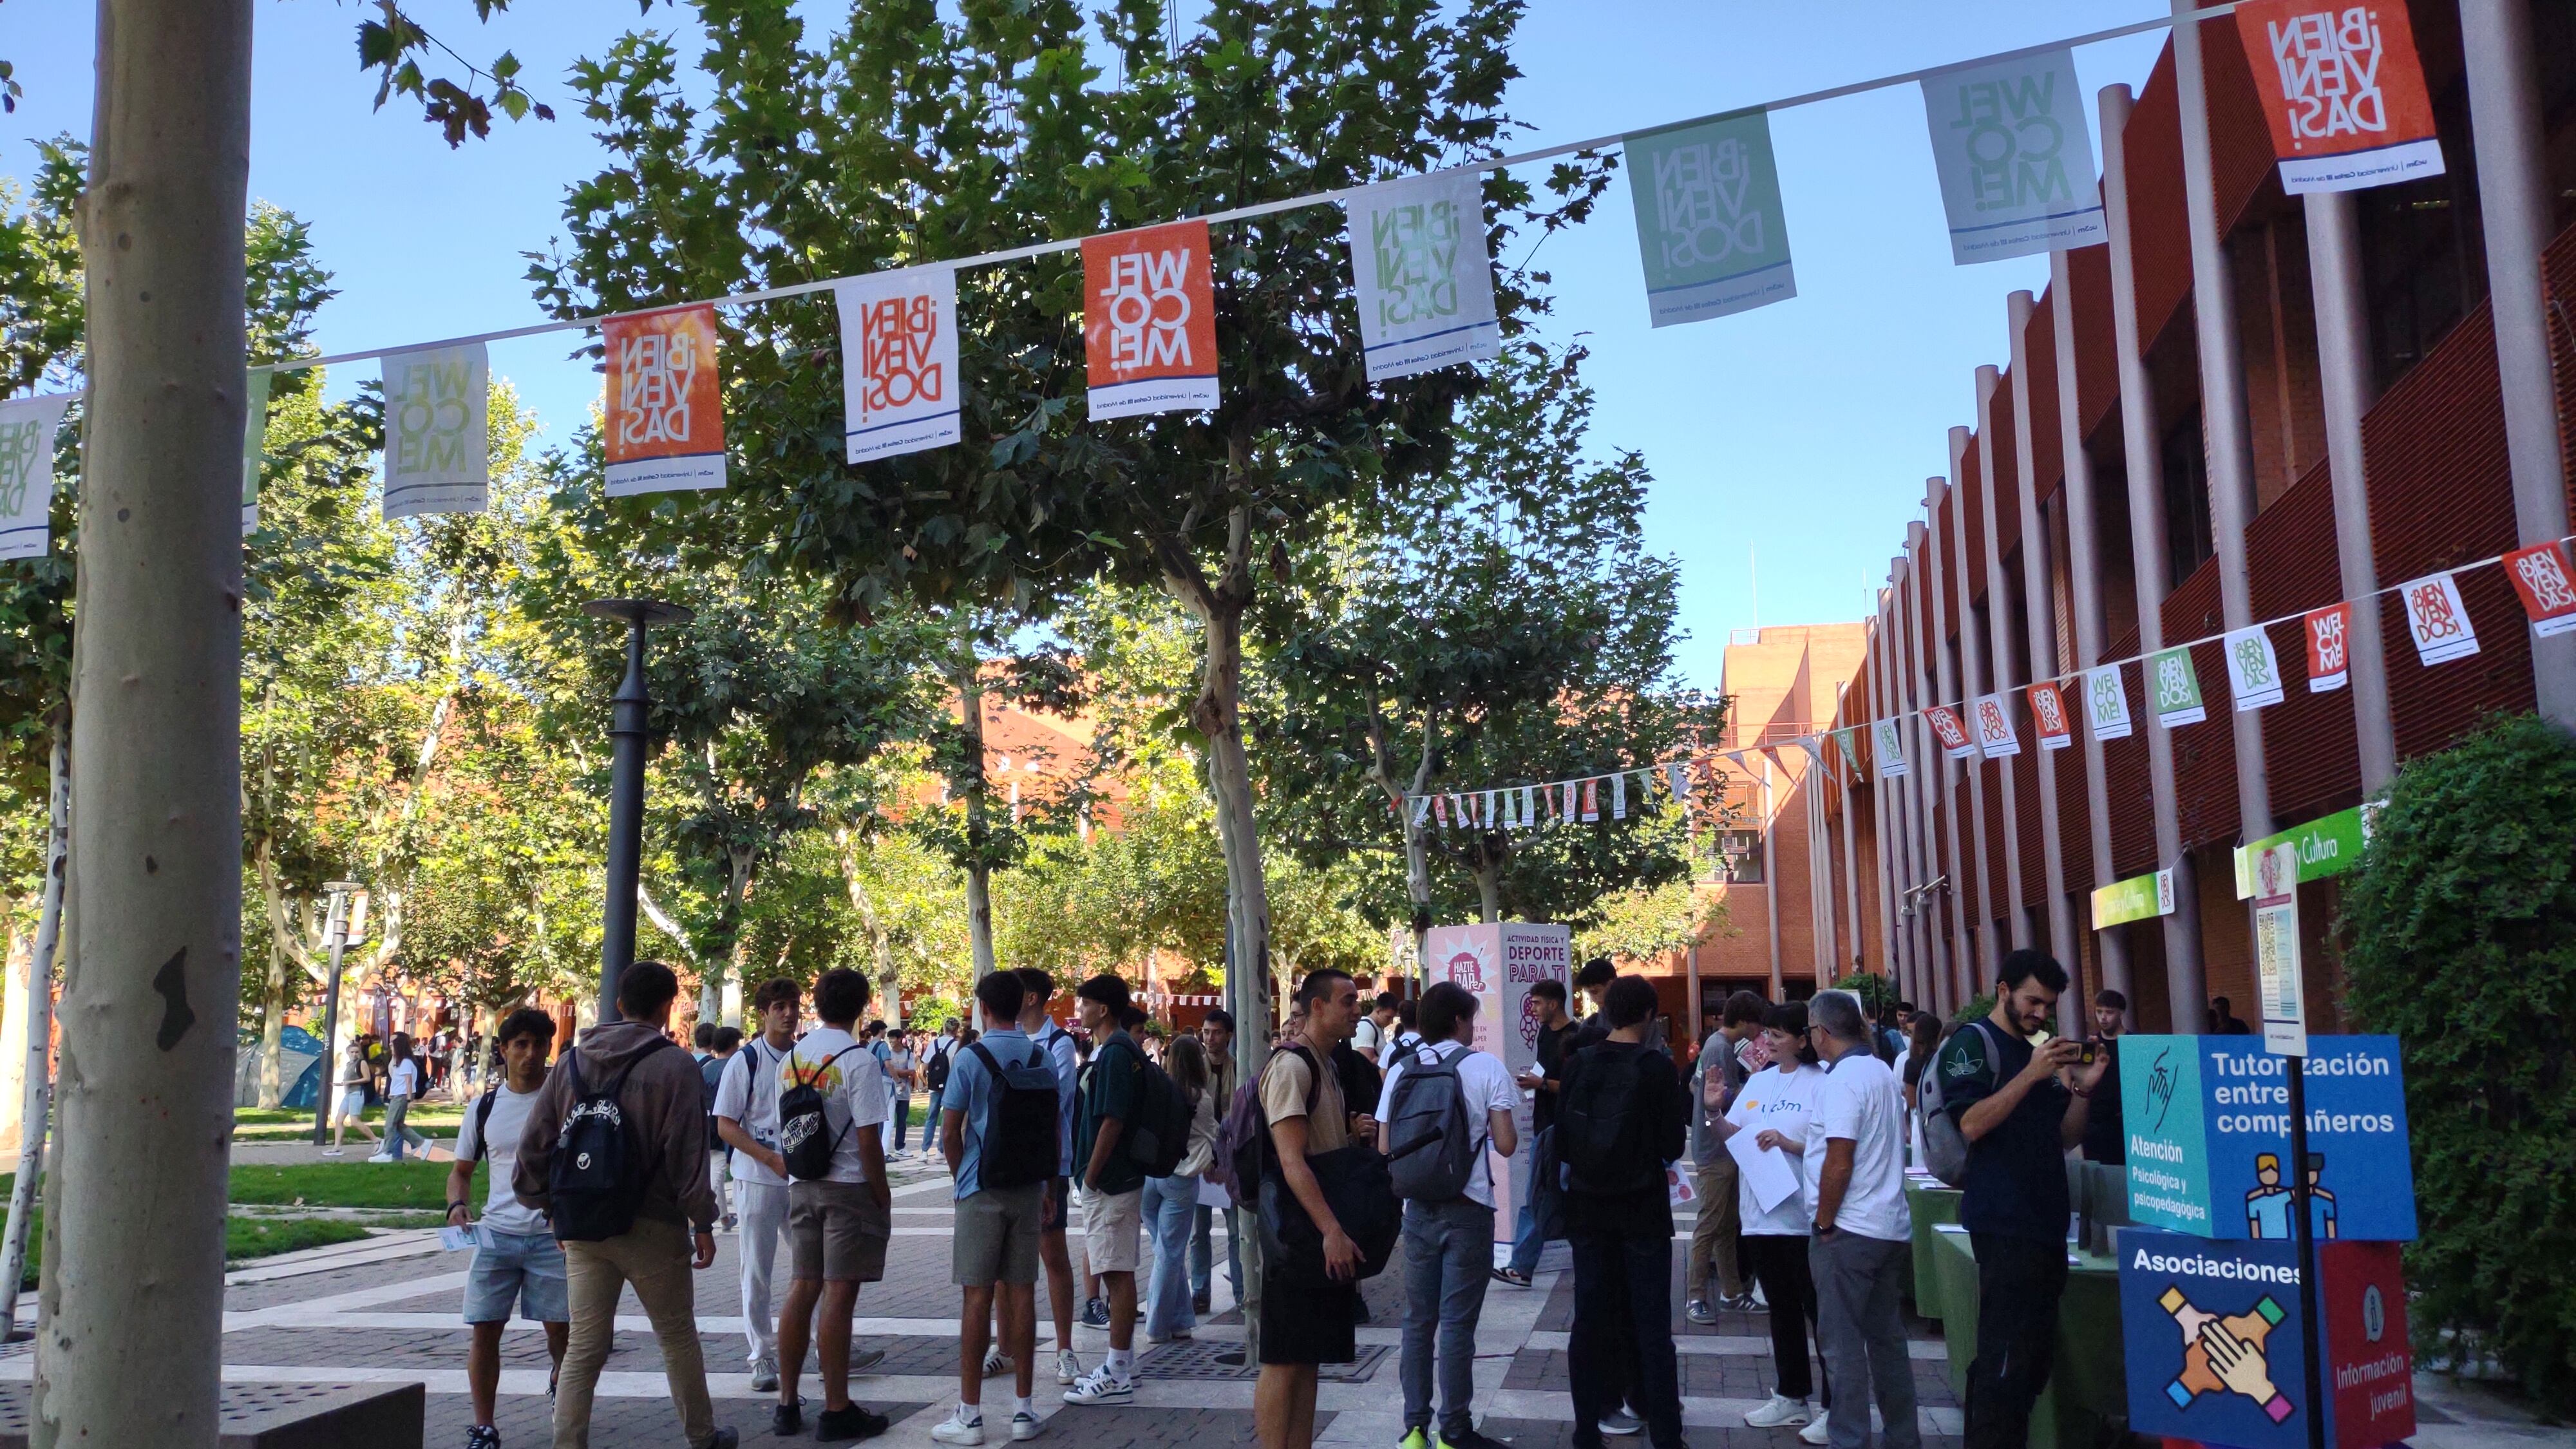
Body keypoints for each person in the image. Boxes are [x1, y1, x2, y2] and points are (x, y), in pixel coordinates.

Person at [512, 961, 735, 1449]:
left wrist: (547, 1207)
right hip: (653, 1222)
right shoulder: (675, 1065)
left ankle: (567, 1443)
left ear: (618, 1003)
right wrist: (702, 1221)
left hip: (584, 1226)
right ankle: (702, 1436)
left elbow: (535, 1144)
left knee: (584, 1348)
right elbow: (689, 1155)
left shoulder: (572, 1061)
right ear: (667, 1006)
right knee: (676, 1336)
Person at [1936, 950, 2111, 1449]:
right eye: (2033, 1001)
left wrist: (2082, 1091)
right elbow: (1970, 1123)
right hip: (2004, 1222)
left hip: (2046, 1223)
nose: (2041, 1014)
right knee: (2005, 1362)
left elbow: (2063, 1139)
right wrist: (2032, 1075)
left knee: (2030, 1362)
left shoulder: (2039, 1050)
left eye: (2049, 1006)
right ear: (2003, 990)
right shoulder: (1974, 1044)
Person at [1379, 981, 1519, 1449]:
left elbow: (1384, 1147)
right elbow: (1507, 1144)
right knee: (1457, 1324)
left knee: (1418, 1321)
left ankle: (1414, 1430)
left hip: (1417, 1209)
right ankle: (1454, 1430)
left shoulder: (1402, 1070)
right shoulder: (1485, 1067)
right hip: (1468, 1208)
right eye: (1471, 1018)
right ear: (1460, 1021)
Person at [1557, 976, 1689, 1449]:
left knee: (1589, 1320)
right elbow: (1673, 1144)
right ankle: (1667, 1435)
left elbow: (1564, 1139)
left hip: (1588, 1209)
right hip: (1642, 1209)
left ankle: (1586, 1430)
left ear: (1608, 1011)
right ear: (1650, 1015)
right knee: (1652, 1325)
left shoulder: (1579, 1062)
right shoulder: (1655, 1068)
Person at [772, 967, 896, 1441]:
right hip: (847, 1188)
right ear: (863, 1005)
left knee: (802, 1288)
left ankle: (787, 1403)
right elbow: (869, 1140)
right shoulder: (858, 1061)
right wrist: (881, 1194)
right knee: (839, 1296)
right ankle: (836, 1407)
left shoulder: (791, 1058)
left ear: (816, 1004)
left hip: (802, 1185)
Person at [933, 971, 1048, 1446]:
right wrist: (1051, 1191)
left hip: (981, 1187)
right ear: (1022, 1005)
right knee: (1022, 1292)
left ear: (984, 1007)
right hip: (1028, 1186)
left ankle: (971, 1414)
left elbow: (949, 1132)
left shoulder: (970, 1057)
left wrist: (962, 1177)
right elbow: (1054, 1131)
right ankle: (1024, 1410)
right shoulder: (1039, 1055)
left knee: (977, 1297)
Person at [1255, 969, 1367, 1449]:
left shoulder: (1327, 1065)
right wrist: (1331, 1231)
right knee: (1283, 1358)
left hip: (1315, 1231)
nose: (1355, 1009)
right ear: (1316, 1007)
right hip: (1298, 1234)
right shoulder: (1293, 1067)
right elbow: (1291, 1159)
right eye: (1346, 1001)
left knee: (1308, 1354)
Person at [450, 1008, 571, 1449]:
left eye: (540, 1044)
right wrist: (457, 1204)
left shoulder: (564, 1103)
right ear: (503, 1050)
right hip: (497, 1235)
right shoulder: (484, 1107)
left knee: (562, 1331)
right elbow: (461, 1170)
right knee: (486, 1329)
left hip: (550, 1237)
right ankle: (485, 1426)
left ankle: (564, 1389)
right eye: (520, 1044)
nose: (531, 1054)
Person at [1804, 990, 1918, 1449]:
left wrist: (1825, 1222)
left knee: (1843, 1347)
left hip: (1850, 1229)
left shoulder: (1843, 1080)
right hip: (1888, 1224)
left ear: (1822, 1033)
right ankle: (1902, 1437)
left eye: (1812, 1031)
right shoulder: (1881, 1072)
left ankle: (1849, 1439)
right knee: (1888, 1342)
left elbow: (1839, 1157)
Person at [1732, 1002, 1830, 1434]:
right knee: (1782, 1310)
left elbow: (1836, 1147)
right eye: (1766, 1034)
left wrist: (1789, 1143)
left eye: (1777, 1035)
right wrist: (1715, 1111)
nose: (1767, 1042)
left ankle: (1834, 1403)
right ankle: (1791, 1395)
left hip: (1803, 1214)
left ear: (1803, 1039)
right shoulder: (1759, 1080)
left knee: (1820, 1312)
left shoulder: (1823, 1083)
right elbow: (1734, 1136)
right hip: (1760, 1213)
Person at [1065, 974, 1148, 1405]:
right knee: (1115, 1268)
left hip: (1111, 1181)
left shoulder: (1115, 1052)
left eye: (1085, 1003)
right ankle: (1123, 1362)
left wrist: (1092, 1175)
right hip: (1112, 1179)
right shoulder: (1115, 1050)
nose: (1080, 1009)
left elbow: (1112, 1119)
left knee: (1116, 1272)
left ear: (1103, 1009)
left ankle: (1117, 1372)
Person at [715, 978, 800, 1394]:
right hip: (757, 1178)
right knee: (758, 1272)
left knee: (813, 1267)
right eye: (780, 1006)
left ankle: (827, 1341)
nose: (788, 1013)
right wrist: (767, 1157)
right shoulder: (744, 1061)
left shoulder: (807, 1059)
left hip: (802, 1180)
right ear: (764, 1012)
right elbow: (725, 1124)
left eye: (794, 1005)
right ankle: (761, 1355)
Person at [1016, 968, 1087, 1387]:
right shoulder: (1003, 1037)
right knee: (1009, 1265)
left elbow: (1052, 1103)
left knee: (1053, 1255)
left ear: (1030, 997)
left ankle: (1065, 1349)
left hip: (1049, 1165)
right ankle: (1005, 1347)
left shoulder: (1059, 1043)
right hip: (1008, 1165)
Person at [1686, 990, 1769, 1323]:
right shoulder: (1722, 1048)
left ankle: (1732, 1291)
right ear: (1746, 1021)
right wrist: (1754, 1085)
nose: (1759, 1031)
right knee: (1710, 1223)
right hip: (1717, 1147)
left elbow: (1696, 1086)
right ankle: (1695, 1296)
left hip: (1720, 1145)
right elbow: (1721, 1097)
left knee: (1725, 1223)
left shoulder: (1714, 1045)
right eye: (1757, 1024)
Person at [1499, 978, 1578, 1287]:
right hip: (1545, 1126)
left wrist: (1540, 1084)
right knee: (1548, 1197)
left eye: (1537, 1003)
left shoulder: (1574, 1038)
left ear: (1554, 1004)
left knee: (1540, 1197)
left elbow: (1575, 1085)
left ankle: (1521, 1265)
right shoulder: (1546, 1033)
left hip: (1560, 1130)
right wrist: (1536, 1083)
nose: (1532, 1009)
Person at [1141, 1034, 1220, 1344]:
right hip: (1181, 1179)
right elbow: (1213, 1133)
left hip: (1150, 1177)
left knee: (1165, 1252)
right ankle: (1158, 1326)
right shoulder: (1200, 1098)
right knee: (1170, 1255)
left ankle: (1181, 1320)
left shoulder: (1159, 1090)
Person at [1191, 1009, 1243, 1317]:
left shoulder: (1240, 1068)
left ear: (1229, 1035)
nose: (1210, 1039)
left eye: (1217, 1033)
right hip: (1199, 1159)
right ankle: (1200, 1291)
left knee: (1237, 1231)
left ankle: (1240, 1291)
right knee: (1199, 1231)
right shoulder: (1194, 1071)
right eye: (1206, 1032)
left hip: (1232, 1160)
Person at [2078, 990, 2127, 1166]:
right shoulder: (2092, 1044)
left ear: (2121, 1012)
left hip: (2123, 1123)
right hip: (2094, 1125)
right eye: (2099, 1012)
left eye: (2109, 1012)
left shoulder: (2133, 1043)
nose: (2103, 1018)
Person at [702, 1027, 741, 1231]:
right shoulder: (733, 1067)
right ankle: (699, 1217)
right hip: (722, 1127)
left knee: (714, 1168)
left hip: (704, 1125)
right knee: (717, 1172)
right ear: (733, 1044)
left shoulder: (707, 1067)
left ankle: (724, 1218)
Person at [372, 1033, 431, 1163]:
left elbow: (408, 1082)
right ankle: (422, 1143)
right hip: (399, 1095)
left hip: (402, 1096)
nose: (390, 1047)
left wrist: (410, 1100)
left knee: (390, 1124)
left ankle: (387, 1152)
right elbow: (399, 1080)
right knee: (398, 1125)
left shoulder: (405, 1062)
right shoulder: (400, 1062)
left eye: (393, 1045)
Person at [325, 1037, 379, 1157]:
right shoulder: (349, 1064)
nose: (354, 1054)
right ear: (348, 1053)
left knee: (355, 1122)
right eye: (352, 1052)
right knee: (339, 1120)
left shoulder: (362, 1063)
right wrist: (341, 1084)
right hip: (348, 1094)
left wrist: (350, 1082)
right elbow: (349, 1079)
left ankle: (377, 1140)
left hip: (357, 1093)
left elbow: (367, 1078)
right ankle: (337, 1147)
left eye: (356, 1052)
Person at [886, 1027, 918, 1155]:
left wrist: (893, 1071)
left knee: (902, 1121)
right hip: (890, 1091)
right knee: (887, 1121)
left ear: (900, 1039)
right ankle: (885, 1148)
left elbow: (911, 1072)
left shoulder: (908, 1053)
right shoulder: (888, 1053)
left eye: (893, 1038)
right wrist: (899, 1072)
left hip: (904, 1093)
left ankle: (900, 1147)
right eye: (890, 1039)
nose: (891, 1041)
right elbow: (887, 1069)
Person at [1353, 992, 1398, 1064]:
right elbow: (1367, 1060)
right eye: (1388, 1017)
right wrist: (1394, 1058)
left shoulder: (1376, 1027)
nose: (1391, 1022)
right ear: (1378, 1011)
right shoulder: (1366, 1027)